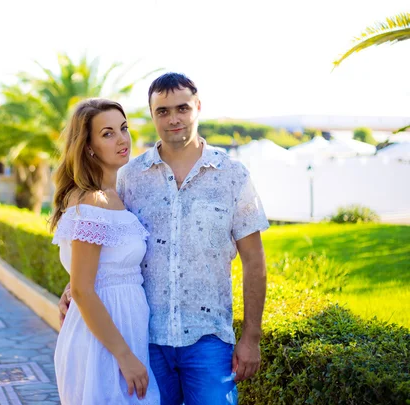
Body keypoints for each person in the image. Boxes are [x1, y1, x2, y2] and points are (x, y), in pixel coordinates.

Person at [59, 73, 269, 404]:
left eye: (182, 108)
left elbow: (254, 262)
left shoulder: (233, 176)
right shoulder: (129, 178)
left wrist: (251, 338)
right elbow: (102, 245)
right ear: (152, 114)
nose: (173, 119)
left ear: (198, 107)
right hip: (146, 340)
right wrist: (75, 288)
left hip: (209, 339)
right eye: (163, 111)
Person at [50, 98, 161, 404]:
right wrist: (124, 356)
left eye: (123, 128)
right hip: (105, 342)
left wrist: (74, 287)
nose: (122, 139)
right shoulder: (92, 203)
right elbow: (85, 290)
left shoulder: (113, 196)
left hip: (124, 330)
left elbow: (92, 275)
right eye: (108, 133)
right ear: (89, 147)